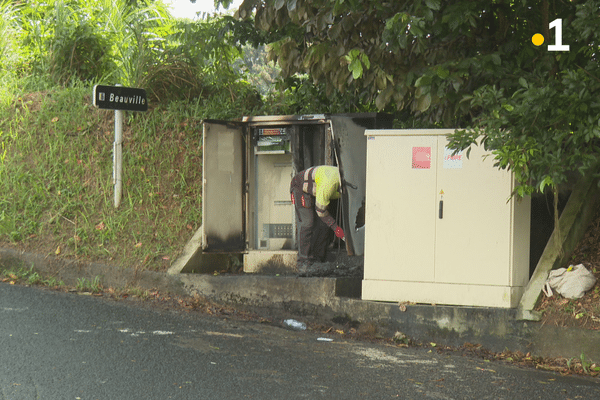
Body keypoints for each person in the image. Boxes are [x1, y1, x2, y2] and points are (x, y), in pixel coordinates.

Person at [290, 165, 345, 276]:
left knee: (323, 225)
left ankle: (317, 260)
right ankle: (303, 262)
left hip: (316, 189)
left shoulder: (346, 182)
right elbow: (320, 211)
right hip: (300, 187)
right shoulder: (329, 184)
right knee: (307, 222)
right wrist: (337, 229)